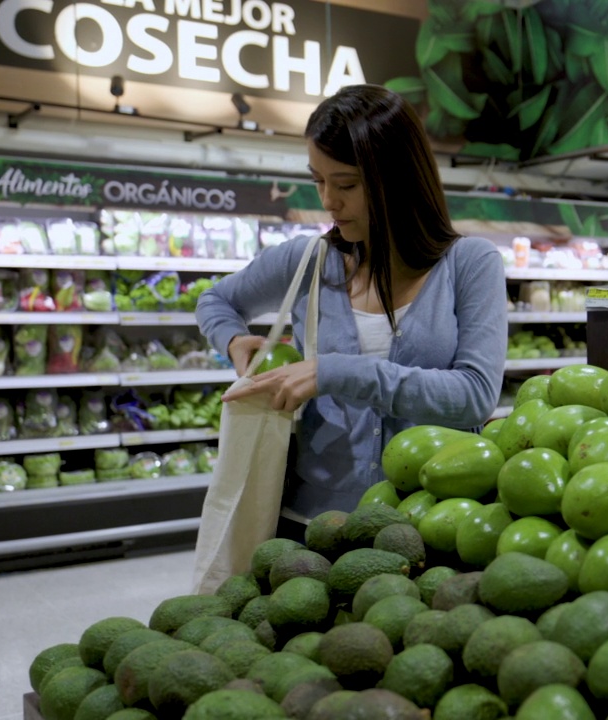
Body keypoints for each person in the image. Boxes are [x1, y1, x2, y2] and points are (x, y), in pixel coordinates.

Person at [196, 84, 507, 535]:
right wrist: (233, 339)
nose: (327, 201)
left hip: (434, 521)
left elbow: (475, 395)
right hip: (311, 521)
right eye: (317, 180)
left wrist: (333, 372)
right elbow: (215, 299)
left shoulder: (469, 264)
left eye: (346, 184)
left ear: (398, 178)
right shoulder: (306, 262)